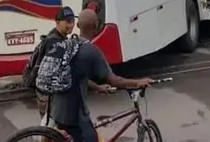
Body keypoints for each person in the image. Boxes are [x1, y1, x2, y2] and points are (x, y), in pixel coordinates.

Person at [49, 9, 152, 142]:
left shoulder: (68, 45)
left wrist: (97, 87)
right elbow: (114, 80)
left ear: (78, 26)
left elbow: (76, 77)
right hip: (74, 115)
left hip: (57, 110)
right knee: (92, 138)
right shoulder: (92, 51)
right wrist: (137, 82)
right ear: (96, 27)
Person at [32, 7, 112, 122]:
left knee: (53, 129)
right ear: (57, 22)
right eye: (67, 22)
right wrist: (97, 87)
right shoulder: (55, 43)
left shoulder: (62, 40)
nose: (71, 25)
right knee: (52, 129)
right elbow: (69, 73)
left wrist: (97, 87)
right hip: (47, 95)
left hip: (50, 93)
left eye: (72, 21)